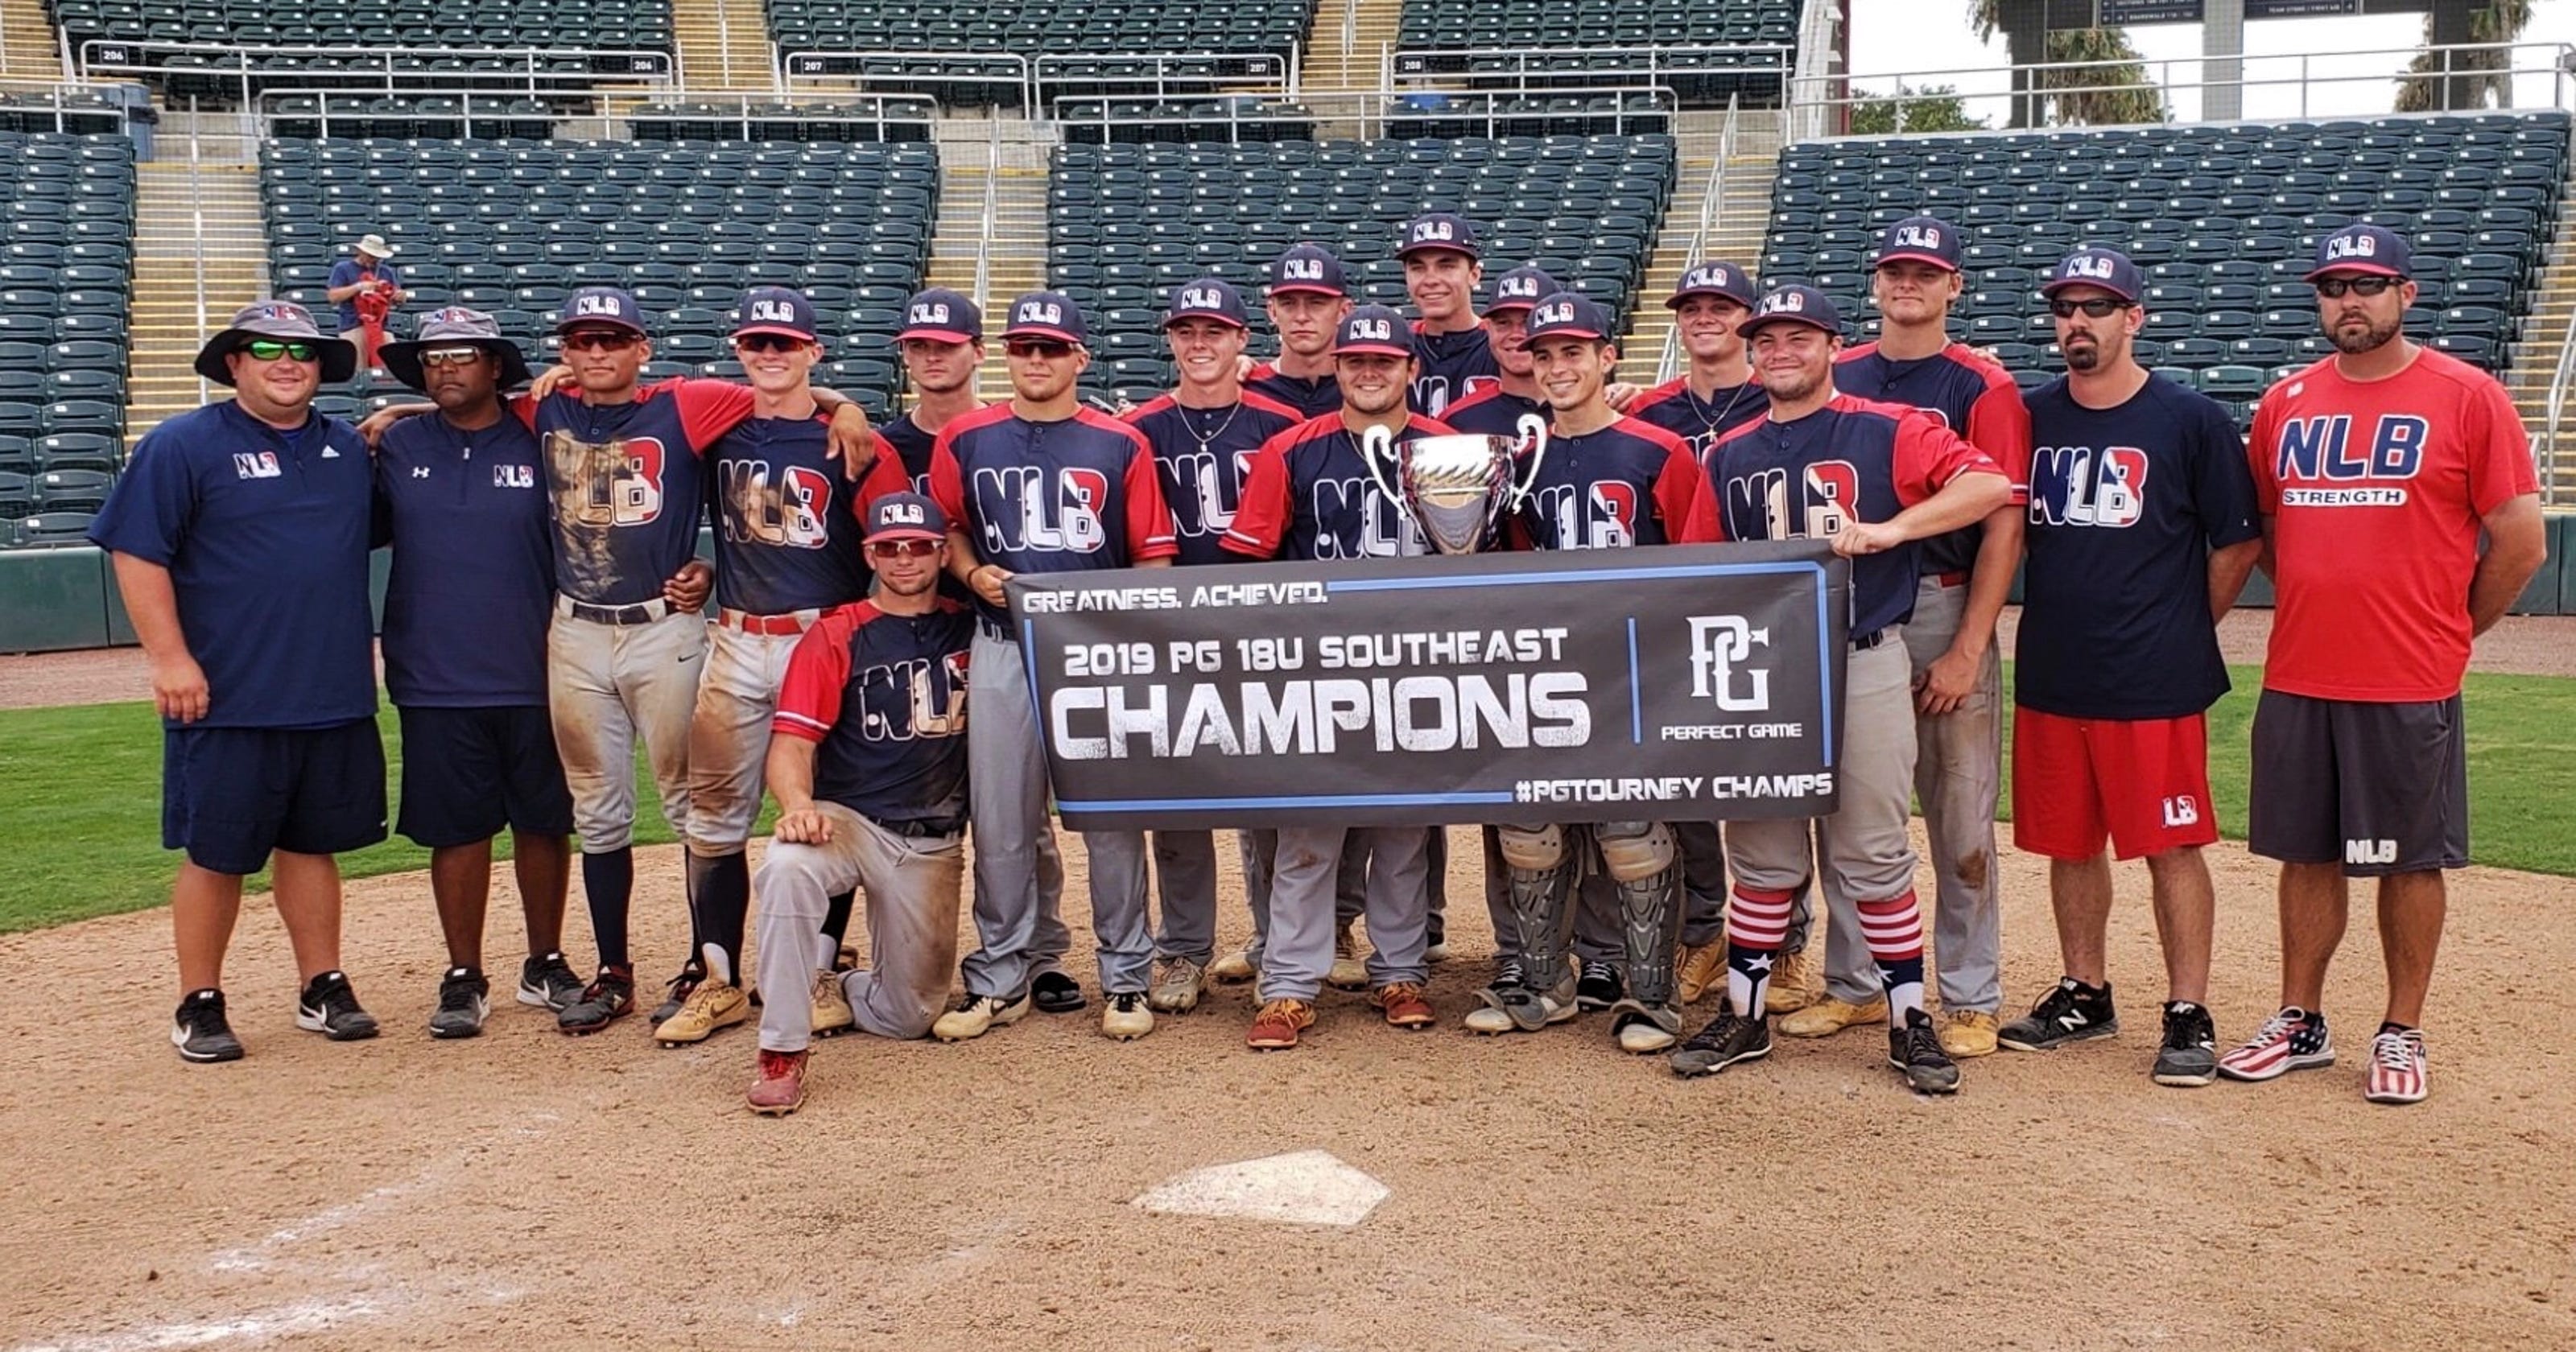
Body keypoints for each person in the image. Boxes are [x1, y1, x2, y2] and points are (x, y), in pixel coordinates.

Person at [367, 286, 873, 1035]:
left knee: (690, 804)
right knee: (598, 812)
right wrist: (400, 413)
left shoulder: (689, 402)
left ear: (644, 348)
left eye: (613, 339)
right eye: (582, 341)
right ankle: (614, 971)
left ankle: (710, 969)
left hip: (664, 629)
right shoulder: (546, 409)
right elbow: (465, 408)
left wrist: (848, 407)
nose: (597, 352)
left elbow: (785, 387)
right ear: (563, 353)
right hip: (573, 629)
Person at [2223, 225, 2545, 1106]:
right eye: (2332, 287)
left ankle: (2401, 1029)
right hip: (2298, 672)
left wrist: (2449, 632)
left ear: (2405, 294)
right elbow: (2262, 534)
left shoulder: (2465, 395)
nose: (2347, 301)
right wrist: (2316, 594)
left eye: (2366, 285)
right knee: (2304, 855)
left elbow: (2520, 543)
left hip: (2406, 679)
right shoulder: (2286, 401)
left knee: (2407, 863)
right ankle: (2299, 1019)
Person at [1672, 285, 2011, 1094]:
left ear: (1831, 346)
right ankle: (1746, 1016)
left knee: (1872, 851)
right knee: (1760, 856)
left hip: (1862, 654)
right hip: (1764, 668)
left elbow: (1988, 486)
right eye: (1767, 340)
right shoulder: (1730, 452)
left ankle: (1905, 1020)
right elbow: (1695, 565)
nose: (1779, 352)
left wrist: (1895, 528)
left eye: (1798, 338)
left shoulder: (1887, 427)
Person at [89, 301, 386, 1062]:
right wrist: (169, 657)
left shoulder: (346, 450)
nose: (287, 363)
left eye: (304, 353)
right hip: (225, 692)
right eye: (266, 349)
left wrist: (406, 411)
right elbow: (136, 551)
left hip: (330, 687)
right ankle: (200, 999)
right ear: (234, 364)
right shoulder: (183, 444)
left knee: (313, 845)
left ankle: (321, 984)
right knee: (216, 852)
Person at [1997, 249, 2264, 1087]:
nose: (2078, 322)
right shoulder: (2030, 415)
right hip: (2053, 665)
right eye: (2065, 309)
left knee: (2171, 843)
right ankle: (2085, 989)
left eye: (2097, 308)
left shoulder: (2189, 419)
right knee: (2068, 844)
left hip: (2152, 675)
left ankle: (2188, 1008)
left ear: (2133, 318)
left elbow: (2237, 541)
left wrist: (2183, 625)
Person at [1789, 215, 2031, 1060]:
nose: (1907, 284)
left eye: (1925, 273)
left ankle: (1969, 992)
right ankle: (1855, 985)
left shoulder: (1978, 384)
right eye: (1895, 270)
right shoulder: (1839, 368)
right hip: (1842, 603)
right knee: (1853, 806)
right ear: (1875, 280)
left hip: (1939, 594)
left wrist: (1969, 644)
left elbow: (2002, 520)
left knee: (1957, 810)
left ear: (1952, 286)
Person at [925, 291, 1180, 1043]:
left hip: (1094, 656)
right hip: (1002, 643)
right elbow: (949, 529)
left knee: (1111, 823)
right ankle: (1002, 974)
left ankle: (1127, 975)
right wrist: (972, 576)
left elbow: (1154, 560)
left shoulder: (1120, 443)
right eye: (1024, 348)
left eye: (1052, 348)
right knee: (1002, 821)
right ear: (1008, 356)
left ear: (1080, 358)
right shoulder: (967, 438)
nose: (1037, 361)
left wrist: (1119, 632)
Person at [660, 287, 909, 1049]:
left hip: (822, 635)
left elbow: (900, 541)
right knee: (714, 816)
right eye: (756, 344)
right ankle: (719, 976)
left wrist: (848, 410)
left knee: (825, 808)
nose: (770, 356)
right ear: (738, 349)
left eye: (785, 345)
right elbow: (611, 395)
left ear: (813, 352)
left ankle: (821, 966)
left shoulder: (851, 440)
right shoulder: (719, 426)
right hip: (735, 635)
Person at [1470, 292, 1718, 1053]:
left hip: (1635, 664)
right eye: (1544, 356)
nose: (1557, 367)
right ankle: (1545, 983)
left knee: (1630, 829)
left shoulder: (1656, 450)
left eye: (1574, 353)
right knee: (1532, 823)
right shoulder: (1519, 460)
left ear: (1608, 358)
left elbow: (1702, 560)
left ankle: (1654, 996)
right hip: (1549, 662)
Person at [1220, 304, 1456, 1050]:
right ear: (1338, 369)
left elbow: (1481, 570)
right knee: (1307, 833)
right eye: (1356, 362)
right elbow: (1245, 567)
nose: (1368, 372)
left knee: (1403, 831)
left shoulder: (1451, 450)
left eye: (1385, 363)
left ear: (1411, 371)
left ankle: (1401, 971)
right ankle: (1289, 983)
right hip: (1317, 668)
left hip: (1419, 664)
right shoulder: (1291, 450)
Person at [373, 307, 584, 1037]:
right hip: (434, 673)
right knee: (456, 831)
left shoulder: (542, 439)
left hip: (539, 666)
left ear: (496, 365)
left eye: (463, 355)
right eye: (431, 359)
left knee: (544, 820)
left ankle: (545, 959)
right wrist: (393, 414)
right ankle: (463, 973)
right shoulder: (397, 446)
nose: (445, 368)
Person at [747, 492, 978, 1114]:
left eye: (920, 547)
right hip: (848, 820)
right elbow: (791, 743)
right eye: (889, 548)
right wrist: (797, 803)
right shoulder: (838, 632)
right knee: (788, 868)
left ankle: (841, 979)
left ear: (941, 552)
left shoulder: (970, 624)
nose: (904, 560)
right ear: (870, 553)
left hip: (931, 837)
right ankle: (782, 1049)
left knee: (910, 1016)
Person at [1120, 278, 1305, 1015]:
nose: (1200, 344)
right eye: (1186, 332)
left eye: (1214, 332)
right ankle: (1184, 948)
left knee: (1268, 797)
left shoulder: (1280, 423)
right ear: (1170, 341)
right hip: (1170, 633)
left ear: (1241, 342)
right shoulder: (1138, 428)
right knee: (1180, 798)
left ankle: (1272, 943)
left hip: (1261, 629)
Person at [1397, 213, 1497, 417]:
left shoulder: (1502, 345)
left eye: (1446, 266)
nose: (1431, 279)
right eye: (1418, 268)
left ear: (1474, 275)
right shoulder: (1394, 347)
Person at [1244, 244, 1352, 419]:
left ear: (1343, 311)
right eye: (1288, 303)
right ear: (1272, 311)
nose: (1301, 316)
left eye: (1316, 303)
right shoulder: (1246, 386)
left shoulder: (1364, 387)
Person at [325, 233, 407, 348]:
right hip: (353, 326)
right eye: (370, 255)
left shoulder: (386, 271)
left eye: (376, 256)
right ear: (360, 251)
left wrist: (400, 297)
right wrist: (358, 287)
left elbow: (396, 298)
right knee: (356, 365)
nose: (373, 259)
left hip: (381, 326)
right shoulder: (343, 268)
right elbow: (332, 297)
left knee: (389, 362)